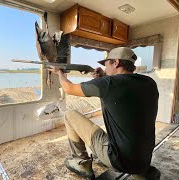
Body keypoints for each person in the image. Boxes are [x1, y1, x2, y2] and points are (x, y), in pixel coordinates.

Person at [49, 47, 160, 180]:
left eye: (106, 64)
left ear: (116, 62)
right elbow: (120, 88)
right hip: (144, 159)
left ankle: (81, 163)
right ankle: (141, 173)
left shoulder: (109, 83)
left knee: (70, 115)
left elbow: (69, 88)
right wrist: (104, 77)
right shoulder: (149, 83)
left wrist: (59, 73)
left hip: (119, 160)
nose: (104, 68)